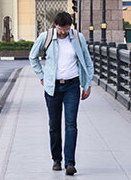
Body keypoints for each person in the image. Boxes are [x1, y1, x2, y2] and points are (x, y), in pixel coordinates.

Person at [28, 12, 94, 176]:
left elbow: (87, 61)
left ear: (70, 26)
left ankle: (70, 162)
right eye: (60, 29)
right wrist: (42, 76)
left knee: (71, 124)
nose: (63, 32)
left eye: (66, 29)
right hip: (53, 88)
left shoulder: (78, 38)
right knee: (54, 125)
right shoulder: (47, 37)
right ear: (55, 26)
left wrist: (87, 84)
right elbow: (33, 57)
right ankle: (56, 159)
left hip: (72, 85)